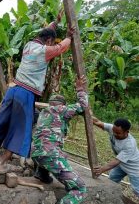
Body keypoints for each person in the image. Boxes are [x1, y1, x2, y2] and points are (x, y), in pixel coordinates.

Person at [0, 10, 75, 175]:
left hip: (14, 90)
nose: (51, 44)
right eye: (51, 41)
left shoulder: (28, 46)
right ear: (48, 41)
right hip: (26, 94)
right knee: (21, 130)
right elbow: (62, 47)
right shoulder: (44, 51)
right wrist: (69, 36)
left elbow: (45, 34)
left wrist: (56, 22)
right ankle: (2, 164)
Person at [31, 76, 88, 204]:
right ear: (62, 105)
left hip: (35, 154)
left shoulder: (43, 113)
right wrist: (80, 90)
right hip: (50, 155)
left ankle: (42, 174)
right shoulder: (62, 110)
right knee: (80, 188)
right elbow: (82, 105)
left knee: (50, 152)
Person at [92, 117, 139, 199]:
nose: (114, 134)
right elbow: (97, 122)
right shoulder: (113, 129)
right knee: (112, 179)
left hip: (135, 168)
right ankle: (109, 197)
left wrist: (102, 169)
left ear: (127, 132)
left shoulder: (130, 144)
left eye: (118, 133)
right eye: (114, 132)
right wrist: (85, 113)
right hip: (122, 164)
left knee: (137, 190)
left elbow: (117, 160)